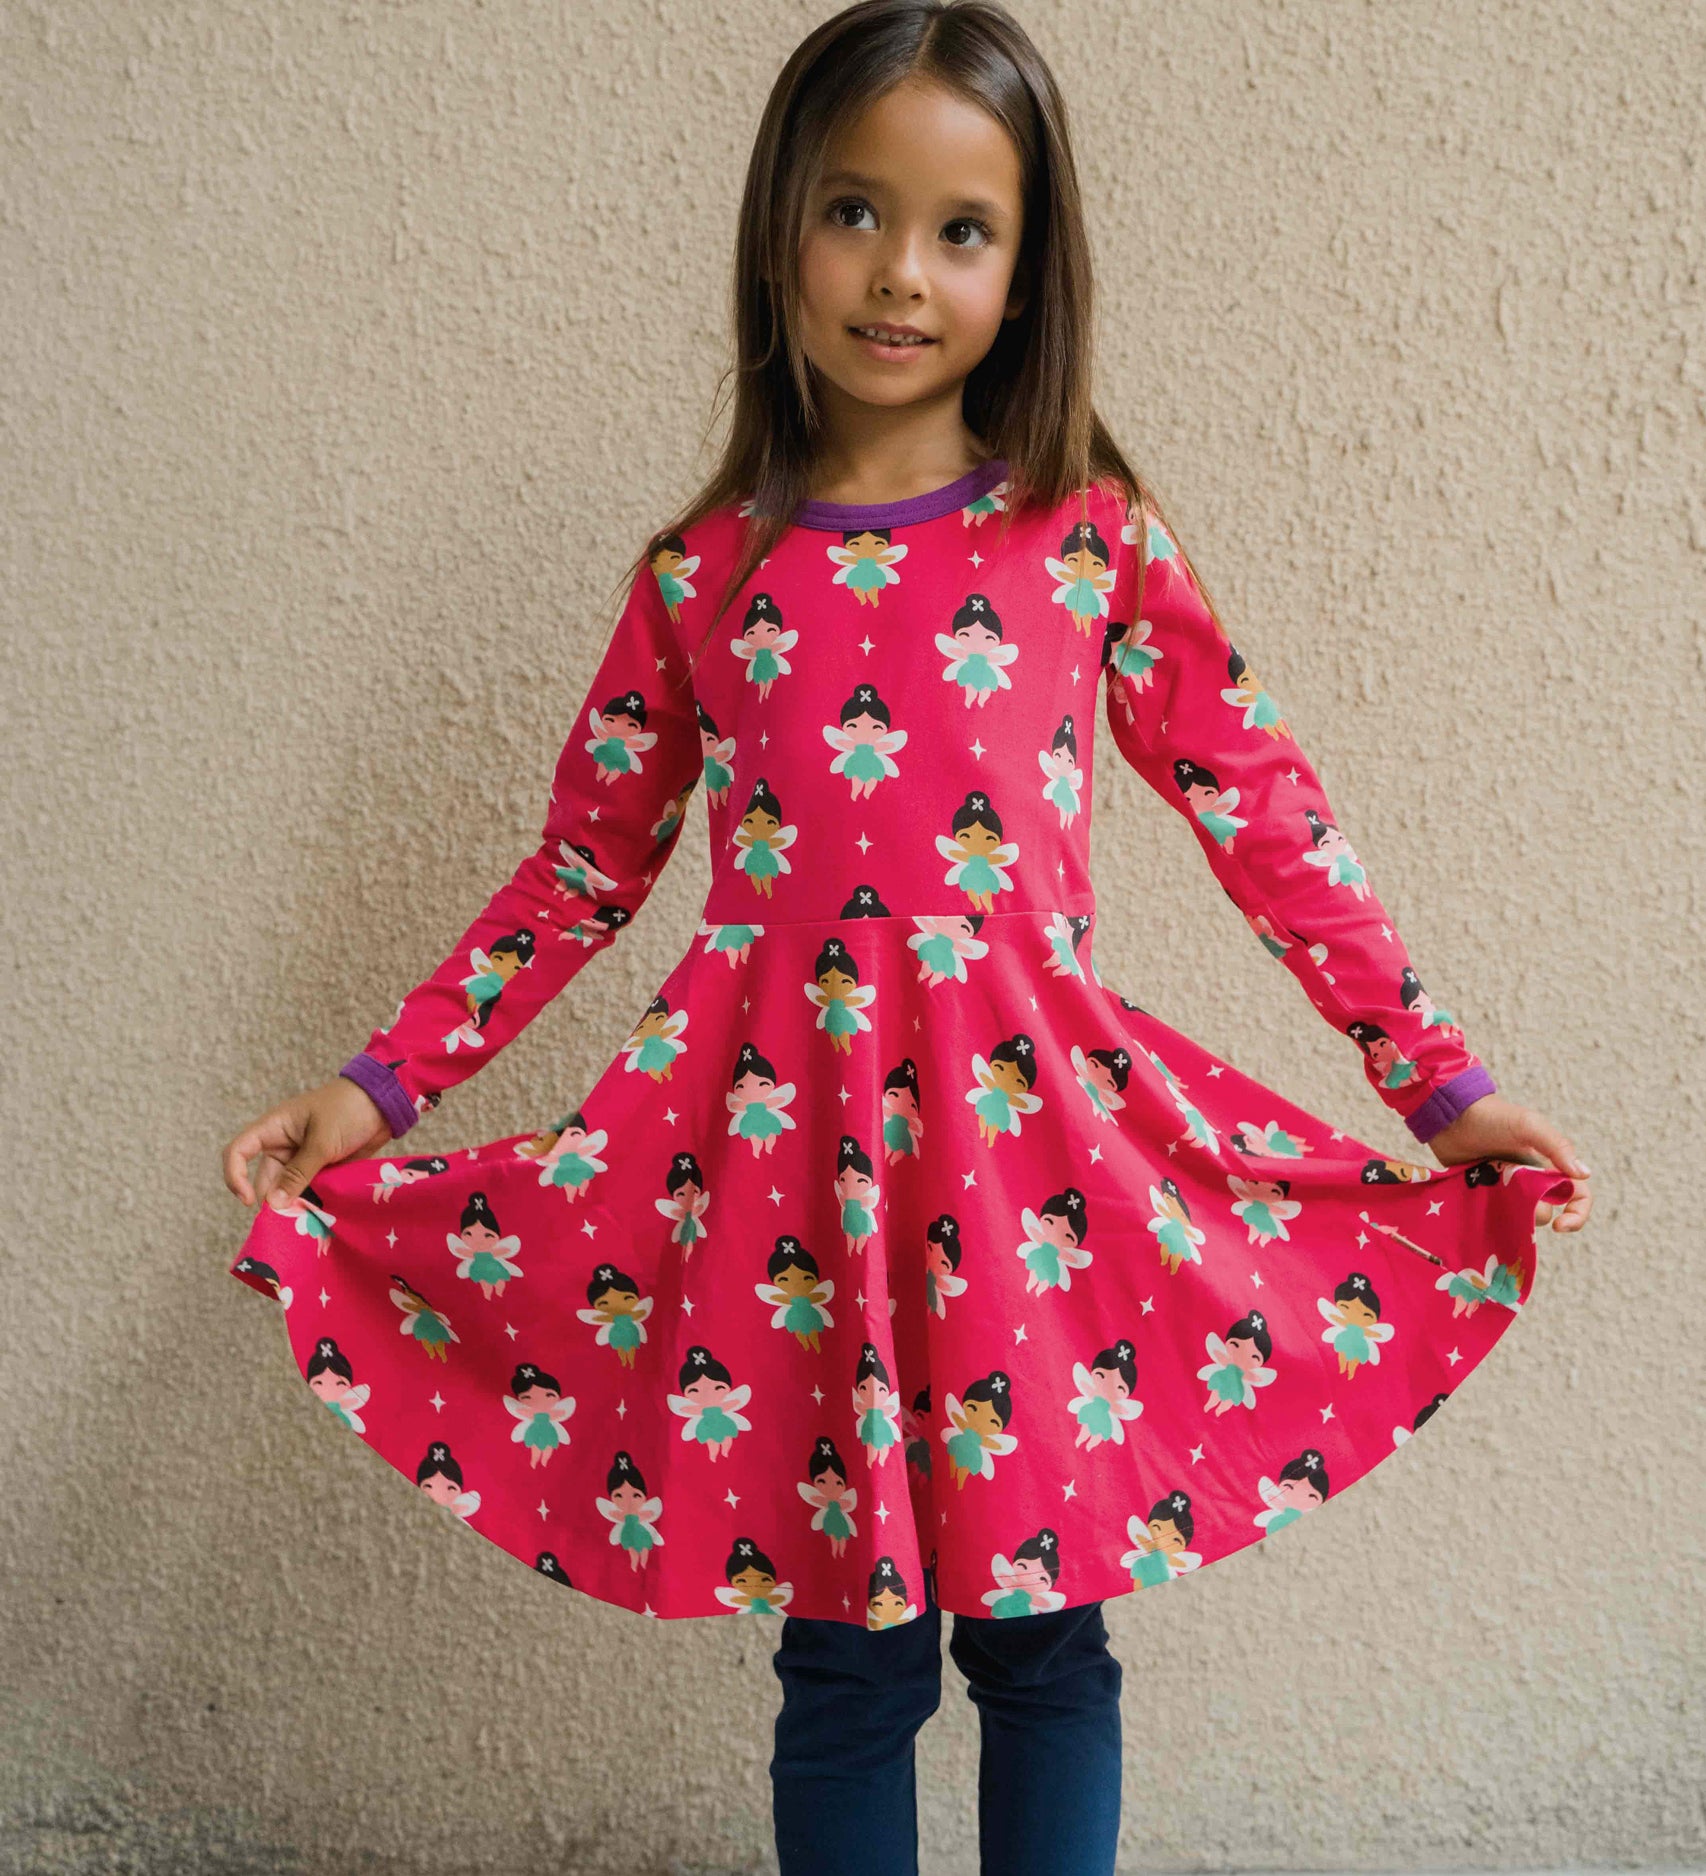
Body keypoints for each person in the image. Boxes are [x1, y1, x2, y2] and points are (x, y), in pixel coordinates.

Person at [221, 4, 1593, 1871]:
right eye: (854, 211)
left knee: (1044, 1649)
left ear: (1027, 276)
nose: (899, 271)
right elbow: (578, 873)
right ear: (778, 225)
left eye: (963, 229)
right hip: (781, 1189)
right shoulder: (703, 576)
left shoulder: (1084, 542)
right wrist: (378, 1088)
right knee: (847, 1667)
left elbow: (1264, 815)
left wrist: (1443, 1093)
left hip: (1029, 1176)